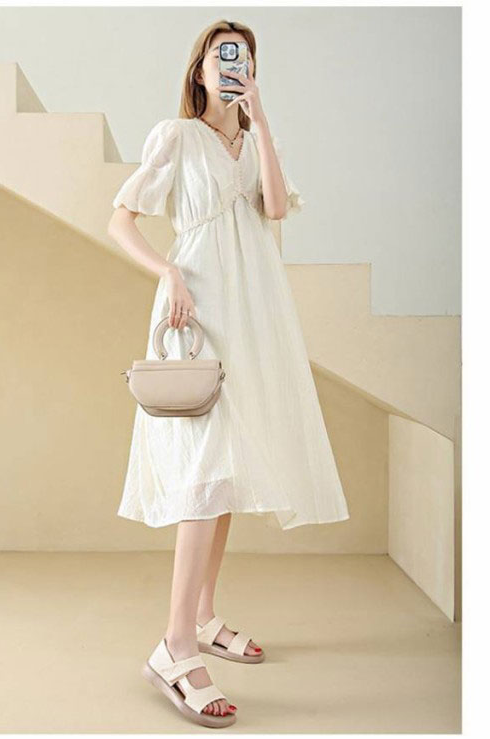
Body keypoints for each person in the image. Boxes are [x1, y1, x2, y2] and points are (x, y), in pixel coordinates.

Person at [107, 20, 350, 728]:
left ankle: (204, 617)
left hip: (253, 309)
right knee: (205, 469)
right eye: (222, 55)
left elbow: (273, 209)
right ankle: (175, 644)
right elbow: (120, 220)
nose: (232, 65)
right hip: (199, 304)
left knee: (231, 467)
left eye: (243, 57)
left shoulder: (252, 141)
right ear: (201, 69)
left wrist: (262, 120)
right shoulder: (177, 137)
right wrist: (168, 272)